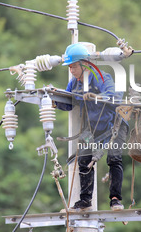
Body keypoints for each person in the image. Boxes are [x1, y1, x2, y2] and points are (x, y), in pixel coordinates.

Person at [56, 43, 129, 211]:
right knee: (83, 159)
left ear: (85, 64)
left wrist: (96, 96)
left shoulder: (102, 78)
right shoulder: (74, 84)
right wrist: (52, 99)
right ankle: (85, 200)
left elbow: (115, 96)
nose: (71, 70)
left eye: (73, 66)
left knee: (114, 159)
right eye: (69, 67)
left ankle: (115, 199)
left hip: (114, 125)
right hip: (93, 129)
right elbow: (68, 103)